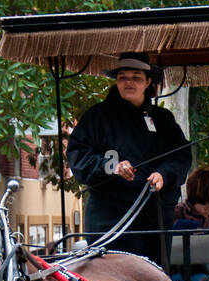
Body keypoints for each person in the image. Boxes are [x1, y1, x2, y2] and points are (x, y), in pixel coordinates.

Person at [66, 52, 191, 262]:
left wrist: (163, 175)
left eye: (136, 77)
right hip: (109, 220)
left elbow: (181, 156)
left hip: (154, 219)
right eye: (123, 77)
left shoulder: (163, 120)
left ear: (148, 81)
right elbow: (78, 157)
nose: (129, 82)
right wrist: (111, 167)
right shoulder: (96, 117)